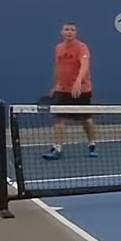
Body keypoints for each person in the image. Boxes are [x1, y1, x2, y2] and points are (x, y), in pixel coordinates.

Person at [43, 22, 97, 160]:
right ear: (62, 32)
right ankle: (57, 148)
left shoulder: (82, 47)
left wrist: (78, 82)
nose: (69, 32)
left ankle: (92, 145)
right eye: (67, 29)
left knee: (86, 120)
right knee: (58, 119)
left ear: (76, 32)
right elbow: (58, 67)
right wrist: (55, 85)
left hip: (82, 90)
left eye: (72, 29)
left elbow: (85, 65)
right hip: (62, 90)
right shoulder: (58, 48)